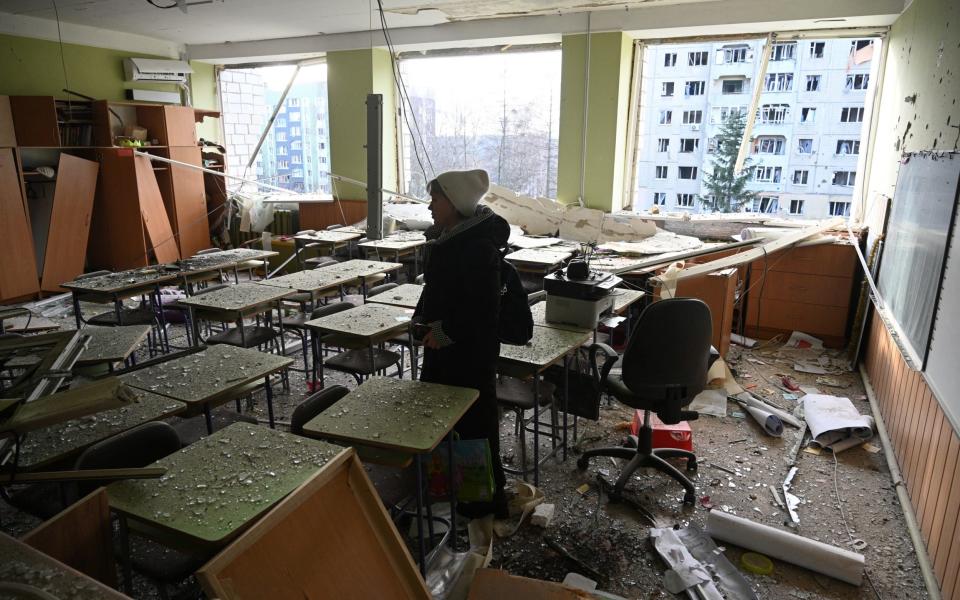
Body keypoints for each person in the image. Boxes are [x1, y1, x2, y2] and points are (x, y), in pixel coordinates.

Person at [414, 169, 510, 518]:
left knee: (472, 428)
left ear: (453, 202)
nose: (429, 206)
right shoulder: (452, 238)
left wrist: (444, 332)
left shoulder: (476, 247)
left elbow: (482, 310)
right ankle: (451, 494)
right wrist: (422, 317)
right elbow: (439, 291)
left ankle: (479, 504)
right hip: (447, 351)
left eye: (435, 199)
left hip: (467, 357)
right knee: (445, 424)